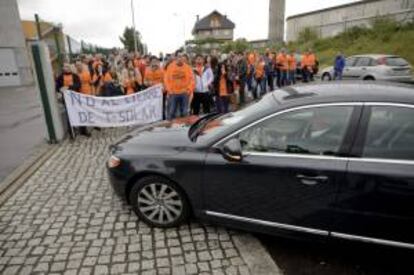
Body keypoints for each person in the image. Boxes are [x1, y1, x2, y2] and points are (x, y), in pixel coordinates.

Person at [164, 51, 194, 120]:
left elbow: (192, 80)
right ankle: (170, 127)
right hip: (173, 93)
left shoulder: (188, 67)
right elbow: (166, 79)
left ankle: (184, 128)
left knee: (184, 112)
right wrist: (170, 90)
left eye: (182, 56)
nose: (181, 58)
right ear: (176, 57)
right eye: (179, 56)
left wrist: (188, 90)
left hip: (184, 93)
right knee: (171, 112)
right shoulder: (170, 66)